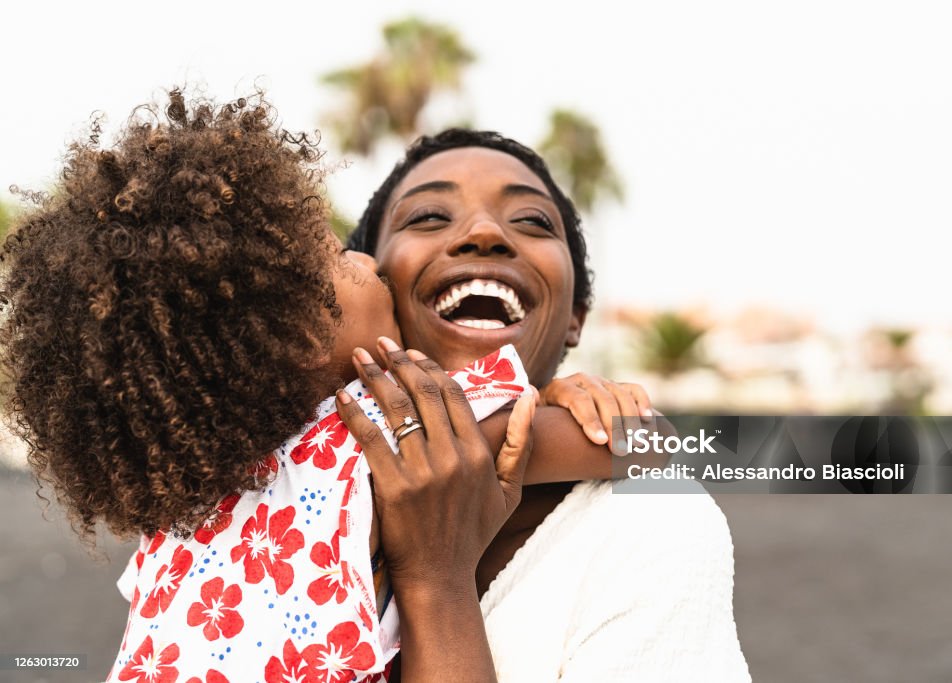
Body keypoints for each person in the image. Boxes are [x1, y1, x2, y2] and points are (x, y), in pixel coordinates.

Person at [0, 91, 641, 682]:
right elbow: (641, 443)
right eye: (337, 257)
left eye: (531, 219)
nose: (363, 263)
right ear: (298, 331)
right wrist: (566, 400)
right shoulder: (374, 434)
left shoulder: (174, 532)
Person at [348, 128, 752, 680]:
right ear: (370, 283)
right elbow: (654, 440)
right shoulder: (261, 475)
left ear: (575, 319)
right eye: (428, 217)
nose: (484, 232)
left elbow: (655, 442)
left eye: (533, 221)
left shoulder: (647, 522)